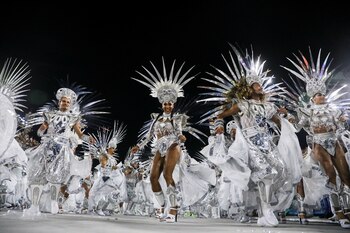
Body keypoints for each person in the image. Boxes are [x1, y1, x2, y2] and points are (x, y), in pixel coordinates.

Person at [197, 43, 302, 227]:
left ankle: (263, 209)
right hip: (250, 142)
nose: (260, 86)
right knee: (266, 173)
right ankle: (266, 210)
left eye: (260, 84)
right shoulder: (242, 105)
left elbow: (279, 121)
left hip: (267, 143)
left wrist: (288, 119)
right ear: (248, 88)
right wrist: (218, 125)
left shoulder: (268, 106)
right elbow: (220, 115)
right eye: (256, 84)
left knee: (279, 169)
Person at [281, 48, 350, 228]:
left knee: (346, 176)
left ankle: (345, 209)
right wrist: (288, 116)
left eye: (323, 93)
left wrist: (342, 121)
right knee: (331, 176)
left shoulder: (334, 110)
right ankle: (339, 212)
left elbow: (341, 127)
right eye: (318, 94)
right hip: (318, 144)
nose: (322, 96)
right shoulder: (306, 110)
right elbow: (297, 127)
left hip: (334, 142)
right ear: (313, 97)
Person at [130, 58, 198, 223]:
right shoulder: (156, 119)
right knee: (153, 177)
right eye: (165, 104)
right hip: (158, 148)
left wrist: (181, 137)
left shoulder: (176, 119)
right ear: (161, 104)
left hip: (173, 146)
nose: (167, 106)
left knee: (167, 174)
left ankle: (173, 209)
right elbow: (149, 136)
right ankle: (161, 206)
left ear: (173, 105)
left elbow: (180, 133)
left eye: (170, 104)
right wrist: (139, 146)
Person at [24, 86, 101, 216]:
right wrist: (42, 130)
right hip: (46, 148)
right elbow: (40, 131)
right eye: (63, 101)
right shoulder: (50, 115)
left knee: (56, 177)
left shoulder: (73, 118)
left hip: (61, 150)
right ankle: (34, 206)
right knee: (37, 175)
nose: (65, 103)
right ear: (59, 102)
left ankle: (54, 202)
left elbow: (80, 135)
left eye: (68, 102)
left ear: (70, 104)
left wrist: (89, 139)